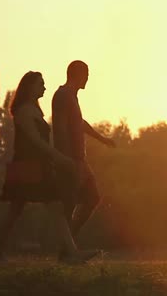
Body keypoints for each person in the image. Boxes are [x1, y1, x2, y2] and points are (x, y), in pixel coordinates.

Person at [0, 71, 97, 263]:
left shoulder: (35, 110)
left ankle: (71, 253)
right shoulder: (24, 111)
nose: (44, 87)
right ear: (30, 86)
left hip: (38, 166)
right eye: (40, 84)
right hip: (26, 169)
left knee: (52, 208)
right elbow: (36, 142)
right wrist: (61, 158)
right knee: (16, 211)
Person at [51, 60, 115, 255]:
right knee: (70, 203)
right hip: (71, 160)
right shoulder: (63, 95)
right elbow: (60, 129)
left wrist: (102, 138)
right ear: (77, 73)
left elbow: (80, 123)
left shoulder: (72, 96)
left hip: (80, 160)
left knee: (91, 198)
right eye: (86, 73)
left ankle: (67, 248)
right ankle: (67, 250)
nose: (88, 78)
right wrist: (68, 160)